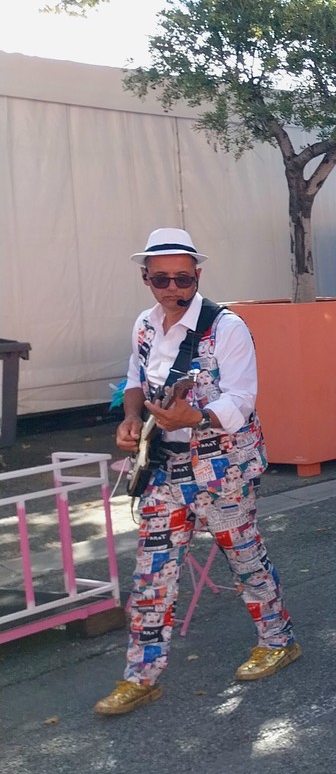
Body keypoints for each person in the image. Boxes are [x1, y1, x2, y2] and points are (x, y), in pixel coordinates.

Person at [94, 228, 298, 715]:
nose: (172, 288)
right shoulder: (145, 325)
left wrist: (198, 417)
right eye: (161, 279)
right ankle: (140, 676)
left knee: (245, 559)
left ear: (197, 276)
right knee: (151, 575)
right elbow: (135, 379)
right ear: (146, 279)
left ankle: (277, 640)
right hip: (165, 468)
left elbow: (241, 400)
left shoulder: (227, 327)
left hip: (222, 469)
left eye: (182, 278)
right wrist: (130, 418)